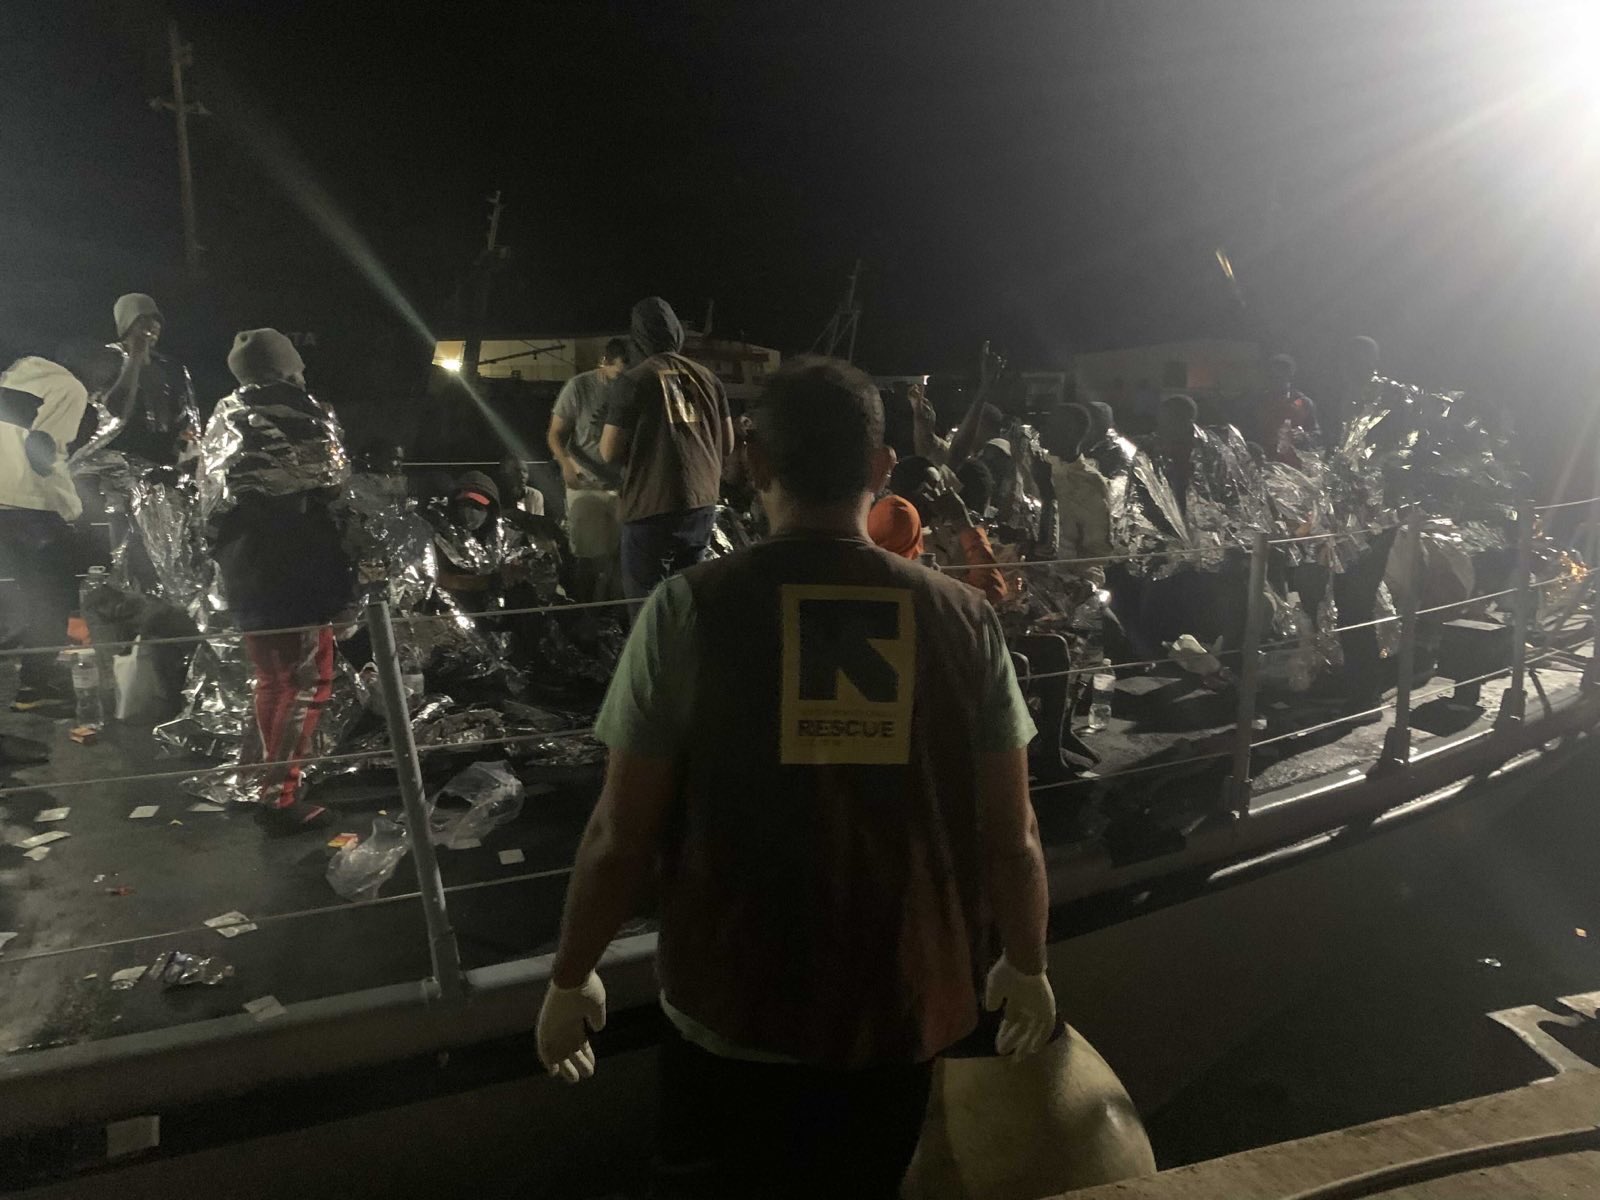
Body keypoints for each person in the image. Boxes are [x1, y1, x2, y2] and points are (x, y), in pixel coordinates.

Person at [537, 357, 1054, 1198]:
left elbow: (618, 835)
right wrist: (1026, 963)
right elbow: (1014, 833)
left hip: (731, 1005)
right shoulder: (965, 618)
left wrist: (571, 974)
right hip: (901, 1011)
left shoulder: (688, 608)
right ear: (882, 467)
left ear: (752, 461)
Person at [200, 330, 352, 830]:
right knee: (310, 682)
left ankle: (264, 781)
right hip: (294, 568)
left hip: (244, 569)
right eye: (298, 369)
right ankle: (280, 799)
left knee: (271, 680)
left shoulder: (224, 415)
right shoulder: (299, 411)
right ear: (285, 370)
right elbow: (332, 481)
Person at [0, 341, 122, 710]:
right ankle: (35, 687)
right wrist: (72, 507)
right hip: (31, 507)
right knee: (52, 597)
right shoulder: (71, 388)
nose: (103, 388)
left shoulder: (20, 372)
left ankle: (32, 678)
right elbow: (42, 449)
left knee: (24, 594)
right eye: (107, 376)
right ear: (92, 368)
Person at [600, 299, 733, 599]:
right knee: (689, 601)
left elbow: (608, 451)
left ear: (638, 336)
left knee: (648, 605)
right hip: (701, 504)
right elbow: (728, 443)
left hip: (651, 508)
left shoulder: (634, 380)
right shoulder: (708, 378)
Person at [869, 455, 1008, 605]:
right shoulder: (918, 548)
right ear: (923, 494)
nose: (942, 493)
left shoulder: (937, 532)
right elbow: (991, 589)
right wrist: (963, 523)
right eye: (936, 486)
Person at [101, 293, 200, 468]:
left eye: (156, 319)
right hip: (119, 466)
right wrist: (136, 356)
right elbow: (115, 410)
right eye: (142, 318)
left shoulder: (171, 367)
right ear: (127, 324)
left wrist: (188, 445)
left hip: (165, 467)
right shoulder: (107, 359)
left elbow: (188, 420)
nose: (152, 324)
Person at [1252, 354, 1319, 465]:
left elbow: (1316, 436)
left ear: (1290, 376)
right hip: (1265, 464)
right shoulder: (1258, 402)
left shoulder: (1304, 403)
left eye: (1280, 376)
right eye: (1272, 377)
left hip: (1295, 466)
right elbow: (1248, 434)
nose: (1276, 381)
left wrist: (1304, 437)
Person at [494, 453, 545, 518]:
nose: (522, 475)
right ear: (504, 472)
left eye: (525, 471)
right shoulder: (493, 494)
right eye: (517, 471)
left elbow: (538, 522)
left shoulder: (534, 495)